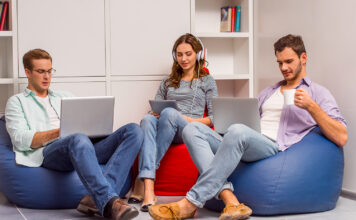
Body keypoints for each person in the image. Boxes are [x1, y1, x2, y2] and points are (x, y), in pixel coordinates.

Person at [148, 34, 348, 220]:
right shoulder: (269, 92)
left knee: (237, 130)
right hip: (247, 139)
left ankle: (190, 202)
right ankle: (231, 201)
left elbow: (341, 136)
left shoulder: (317, 92)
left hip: (273, 147)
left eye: (289, 61)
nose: (284, 67)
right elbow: (248, 121)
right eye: (280, 63)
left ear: (303, 58)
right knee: (192, 130)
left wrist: (311, 106)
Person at [5, 49, 143, 220]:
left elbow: (82, 127)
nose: (47, 76)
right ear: (27, 72)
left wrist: (95, 129)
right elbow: (21, 140)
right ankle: (109, 202)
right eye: (41, 71)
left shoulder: (65, 96)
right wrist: (60, 133)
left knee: (134, 130)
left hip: (82, 145)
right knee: (77, 138)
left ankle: (96, 199)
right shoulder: (17, 102)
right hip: (48, 153)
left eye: (49, 71)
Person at [128, 33, 218, 212]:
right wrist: (153, 115)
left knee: (169, 112)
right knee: (146, 119)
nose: (183, 59)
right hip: (166, 126)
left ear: (198, 55)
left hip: (188, 128)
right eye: (179, 54)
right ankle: (148, 187)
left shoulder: (207, 81)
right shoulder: (167, 81)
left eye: (188, 54)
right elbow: (155, 107)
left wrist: (191, 120)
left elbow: (215, 117)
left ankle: (142, 181)